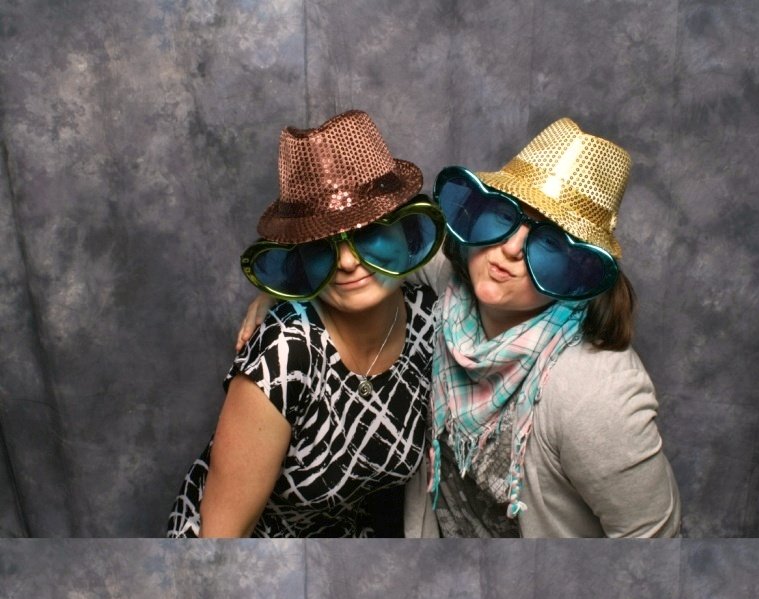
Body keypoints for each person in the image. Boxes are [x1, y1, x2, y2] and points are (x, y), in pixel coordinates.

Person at [166, 111, 445, 537]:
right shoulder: (284, 355)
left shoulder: (429, 318)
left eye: (366, 231)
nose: (347, 262)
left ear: (406, 228)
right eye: (322, 244)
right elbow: (220, 538)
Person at [405, 117, 682, 537]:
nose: (510, 248)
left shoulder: (595, 393)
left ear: (579, 271)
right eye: (504, 215)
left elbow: (653, 540)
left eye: (549, 241)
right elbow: (367, 250)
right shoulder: (452, 283)